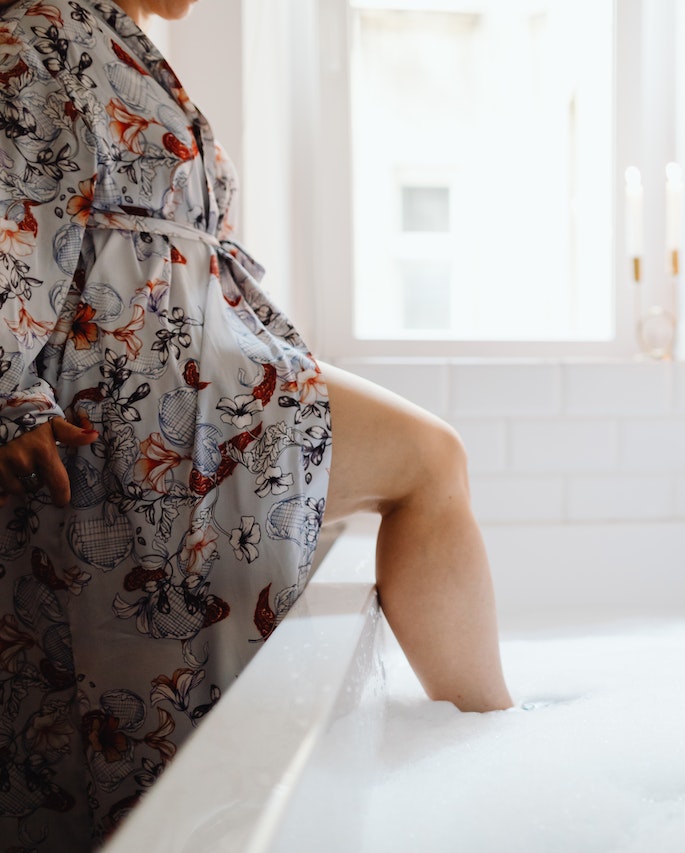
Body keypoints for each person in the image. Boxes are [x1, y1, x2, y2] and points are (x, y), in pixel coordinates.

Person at [0, 0, 513, 848]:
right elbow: (10, 216)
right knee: (431, 460)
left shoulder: (109, 38)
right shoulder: (41, 32)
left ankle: (488, 741)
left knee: (431, 464)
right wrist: (11, 399)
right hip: (145, 401)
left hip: (193, 379)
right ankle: (492, 749)